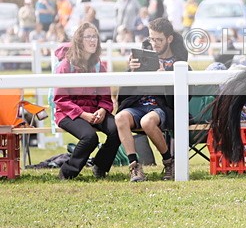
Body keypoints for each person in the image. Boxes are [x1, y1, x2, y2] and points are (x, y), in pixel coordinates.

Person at [115, 17, 190, 182]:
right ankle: (134, 167)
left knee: (147, 122)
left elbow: (184, 98)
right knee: (120, 118)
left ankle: (169, 162)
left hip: (162, 108)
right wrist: (131, 72)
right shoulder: (142, 59)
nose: (154, 43)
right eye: (152, 39)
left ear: (169, 39)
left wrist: (166, 80)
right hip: (138, 105)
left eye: (159, 40)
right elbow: (125, 93)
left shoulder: (179, 64)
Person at [53, 23, 121, 179]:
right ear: (79, 40)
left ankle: (100, 166)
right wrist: (83, 114)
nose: (93, 40)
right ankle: (67, 173)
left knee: (117, 129)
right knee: (90, 137)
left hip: (95, 111)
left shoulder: (99, 66)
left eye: (95, 36)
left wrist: (103, 110)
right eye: (88, 37)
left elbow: (105, 96)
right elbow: (61, 99)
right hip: (68, 113)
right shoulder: (65, 66)